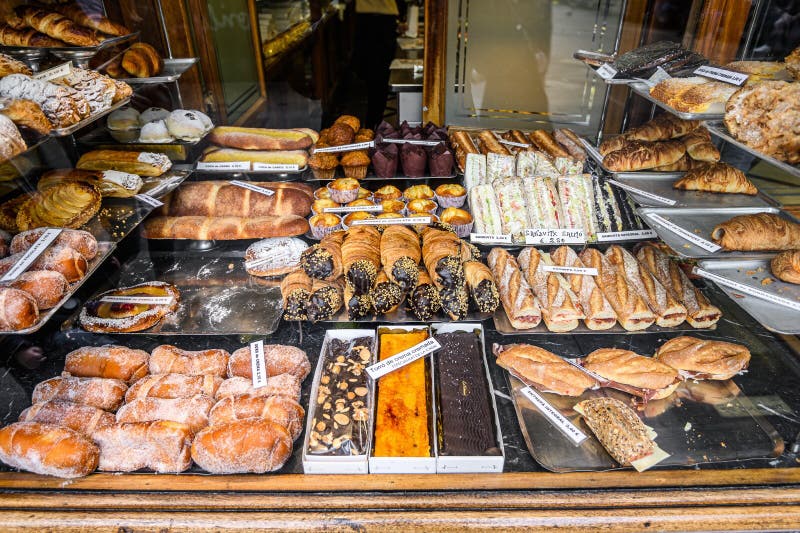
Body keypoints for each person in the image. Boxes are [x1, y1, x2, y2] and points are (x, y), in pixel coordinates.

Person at [353, 0, 401, 129]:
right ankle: (373, 125)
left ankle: (372, 125)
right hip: (381, 19)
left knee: (375, 78)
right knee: (379, 77)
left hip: (368, 18)